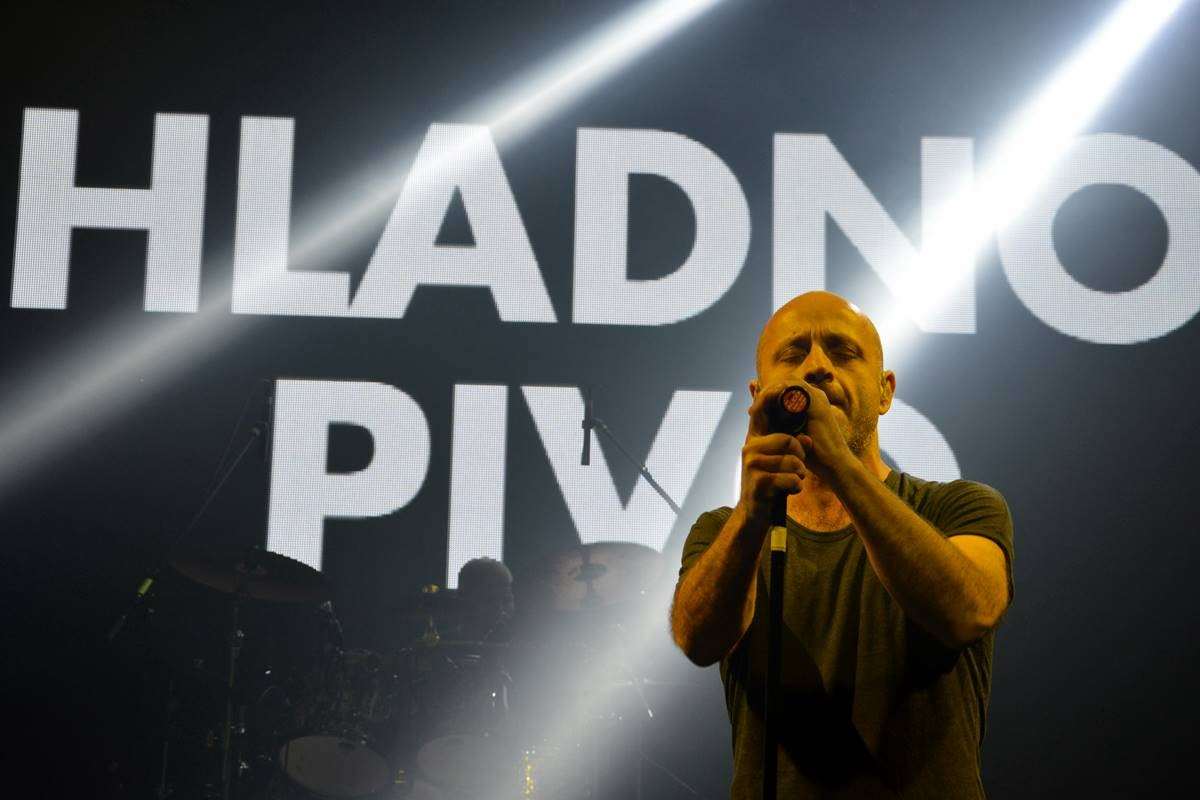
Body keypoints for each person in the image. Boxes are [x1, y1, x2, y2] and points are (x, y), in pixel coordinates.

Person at [670, 291, 1013, 799]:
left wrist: (840, 467)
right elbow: (698, 641)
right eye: (793, 354)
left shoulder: (960, 507)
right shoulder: (726, 531)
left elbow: (970, 611)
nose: (817, 367)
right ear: (759, 394)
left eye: (842, 352)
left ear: (884, 391)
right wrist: (750, 515)